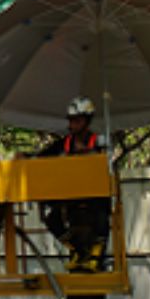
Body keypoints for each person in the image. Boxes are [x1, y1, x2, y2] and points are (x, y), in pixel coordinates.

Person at [35, 96, 111, 271]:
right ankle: (77, 249)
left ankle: (96, 255)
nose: (73, 124)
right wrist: (25, 156)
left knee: (100, 214)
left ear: (86, 121)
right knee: (50, 216)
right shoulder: (64, 144)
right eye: (71, 120)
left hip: (94, 197)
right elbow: (41, 156)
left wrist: (92, 155)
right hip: (69, 197)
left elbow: (107, 164)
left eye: (77, 120)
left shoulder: (98, 142)